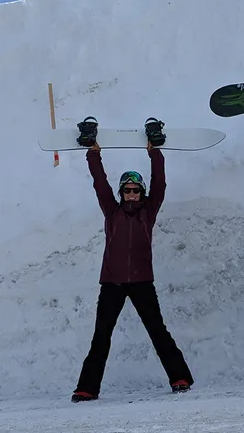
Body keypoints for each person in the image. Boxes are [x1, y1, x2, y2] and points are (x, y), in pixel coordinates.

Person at [71, 137, 194, 403]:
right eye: (127, 190)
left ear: (142, 192)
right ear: (121, 193)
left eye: (136, 190)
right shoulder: (111, 211)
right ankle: (87, 388)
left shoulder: (148, 212)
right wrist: (93, 154)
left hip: (142, 282)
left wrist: (155, 153)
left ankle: (179, 377)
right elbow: (99, 183)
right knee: (101, 336)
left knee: (157, 331)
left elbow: (160, 184)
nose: (131, 195)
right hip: (112, 283)